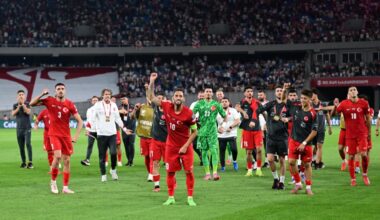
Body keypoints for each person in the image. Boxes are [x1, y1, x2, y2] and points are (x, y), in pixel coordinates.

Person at [147, 72, 198, 206]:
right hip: (171, 146)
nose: (178, 97)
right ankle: (170, 197)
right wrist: (152, 81)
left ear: (184, 99)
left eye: (180, 96)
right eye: (176, 95)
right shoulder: (166, 106)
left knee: (189, 172)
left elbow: (195, 131)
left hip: (185, 147)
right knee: (170, 172)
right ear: (172, 98)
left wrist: (186, 146)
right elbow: (151, 97)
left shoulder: (188, 113)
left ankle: (190, 197)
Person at [30, 83, 83, 194]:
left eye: (62, 89)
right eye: (58, 89)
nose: (60, 90)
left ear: (65, 90)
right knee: (58, 156)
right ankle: (53, 182)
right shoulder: (49, 100)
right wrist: (41, 94)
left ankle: (65, 187)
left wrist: (76, 136)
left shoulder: (70, 104)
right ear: (55, 91)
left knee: (67, 161)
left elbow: (80, 121)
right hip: (54, 134)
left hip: (66, 136)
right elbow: (32, 103)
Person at [89, 89, 131, 182]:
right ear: (102, 96)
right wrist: (89, 129)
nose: (107, 96)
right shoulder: (98, 105)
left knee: (113, 153)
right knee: (102, 156)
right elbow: (92, 118)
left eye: (109, 94)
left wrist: (124, 129)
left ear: (110, 95)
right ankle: (103, 174)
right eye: (105, 94)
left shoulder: (114, 105)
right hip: (101, 134)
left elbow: (117, 119)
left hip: (112, 133)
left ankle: (113, 170)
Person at [284, 88, 317, 195]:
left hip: (306, 143)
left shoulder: (313, 114)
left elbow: (314, 131)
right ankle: (298, 183)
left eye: (305, 98)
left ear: (310, 99)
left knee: (307, 165)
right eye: (301, 98)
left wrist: (304, 143)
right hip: (293, 140)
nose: (302, 100)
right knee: (291, 163)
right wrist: (284, 90)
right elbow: (284, 99)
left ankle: (308, 186)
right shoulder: (296, 107)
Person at [336, 86, 371, 186]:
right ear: (348, 93)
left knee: (364, 155)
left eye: (354, 90)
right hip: (350, 135)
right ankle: (353, 179)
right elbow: (335, 112)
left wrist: (368, 133)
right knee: (351, 156)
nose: (352, 91)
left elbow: (368, 119)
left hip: (362, 133)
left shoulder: (364, 103)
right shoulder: (344, 104)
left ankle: (364, 174)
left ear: (357, 92)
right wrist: (335, 106)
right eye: (350, 90)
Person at [193, 87, 226, 181]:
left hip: (212, 132)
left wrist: (222, 126)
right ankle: (207, 173)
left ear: (212, 94)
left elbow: (224, 116)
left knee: (214, 151)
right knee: (204, 153)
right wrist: (194, 124)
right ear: (204, 93)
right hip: (202, 132)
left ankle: (215, 173)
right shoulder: (199, 104)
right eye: (206, 91)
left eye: (210, 92)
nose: (208, 93)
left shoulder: (216, 104)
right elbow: (191, 114)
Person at [262, 85, 288, 190]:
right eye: (277, 91)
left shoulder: (287, 105)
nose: (279, 92)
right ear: (275, 93)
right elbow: (261, 110)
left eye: (281, 91)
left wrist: (288, 119)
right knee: (270, 159)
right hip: (271, 137)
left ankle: (281, 182)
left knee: (282, 160)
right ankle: (275, 179)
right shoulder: (270, 105)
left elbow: (292, 117)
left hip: (282, 137)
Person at [235, 87, 265, 177]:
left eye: (251, 91)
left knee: (259, 150)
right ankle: (249, 169)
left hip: (257, 130)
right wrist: (243, 112)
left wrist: (266, 123)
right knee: (249, 152)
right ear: (245, 93)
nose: (250, 93)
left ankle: (259, 169)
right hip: (247, 130)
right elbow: (237, 107)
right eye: (248, 91)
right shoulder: (243, 102)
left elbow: (263, 112)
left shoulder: (257, 102)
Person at [132, 94, 154, 181]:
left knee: (152, 156)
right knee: (147, 156)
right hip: (143, 137)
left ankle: (152, 174)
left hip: (153, 137)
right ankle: (149, 172)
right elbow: (132, 117)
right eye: (149, 97)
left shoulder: (156, 109)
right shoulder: (141, 107)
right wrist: (135, 109)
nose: (150, 99)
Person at [149, 91, 168, 192]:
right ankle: (157, 185)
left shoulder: (169, 110)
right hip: (155, 141)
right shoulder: (155, 108)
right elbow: (150, 96)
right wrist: (151, 82)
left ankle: (172, 182)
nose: (160, 100)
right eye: (158, 98)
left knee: (169, 164)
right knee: (155, 163)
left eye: (162, 98)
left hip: (167, 142)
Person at [216, 97, 240, 172]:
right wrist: (218, 129)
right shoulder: (217, 112)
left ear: (229, 103)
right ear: (220, 103)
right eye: (222, 101)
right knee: (222, 150)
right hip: (221, 134)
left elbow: (237, 121)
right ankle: (223, 166)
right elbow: (216, 122)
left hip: (231, 133)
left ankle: (235, 161)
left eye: (226, 101)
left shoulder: (233, 111)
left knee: (234, 149)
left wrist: (231, 126)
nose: (224, 103)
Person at [311, 89, 332, 169]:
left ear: (316, 95)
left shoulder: (322, 104)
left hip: (321, 129)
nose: (310, 97)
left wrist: (330, 127)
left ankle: (317, 163)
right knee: (314, 147)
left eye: (312, 95)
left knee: (319, 146)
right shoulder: (309, 105)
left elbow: (327, 116)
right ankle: (314, 159)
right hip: (311, 130)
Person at [12, 90, 33, 168]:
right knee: (21, 146)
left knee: (28, 144)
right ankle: (23, 162)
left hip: (27, 128)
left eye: (22, 94)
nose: (21, 96)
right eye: (19, 95)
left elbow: (28, 112)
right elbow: (13, 114)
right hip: (19, 129)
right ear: (17, 96)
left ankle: (30, 162)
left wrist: (23, 105)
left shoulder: (28, 104)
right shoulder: (15, 105)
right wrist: (18, 107)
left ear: (25, 96)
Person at [81, 96, 99, 166]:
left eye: (96, 100)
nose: (95, 101)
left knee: (102, 146)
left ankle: (104, 160)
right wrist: (87, 130)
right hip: (91, 131)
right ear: (92, 102)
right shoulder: (89, 110)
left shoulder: (102, 109)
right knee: (90, 145)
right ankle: (87, 160)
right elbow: (88, 121)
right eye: (94, 100)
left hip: (100, 131)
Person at [119, 96, 136, 166]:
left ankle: (131, 160)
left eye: (124, 99)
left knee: (131, 144)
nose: (122, 100)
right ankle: (128, 160)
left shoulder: (132, 106)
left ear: (127, 100)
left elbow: (136, 115)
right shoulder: (119, 107)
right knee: (126, 145)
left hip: (132, 128)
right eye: (121, 99)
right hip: (124, 129)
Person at [190, 90, 204, 165]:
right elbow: (191, 114)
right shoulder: (193, 104)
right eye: (200, 96)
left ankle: (205, 159)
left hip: (205, 126)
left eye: (202, 96)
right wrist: (195, 119)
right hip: (195, 126)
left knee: (205, 144)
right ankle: (201, 156)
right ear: (197, 96)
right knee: (194, 144)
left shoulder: (208, 104)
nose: (201, 97)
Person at [257, 89, 269, 168]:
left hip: (266, 128)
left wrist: (266, 124)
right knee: (258, 146)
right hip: (257, 128)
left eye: (261, 95)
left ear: (265, 95)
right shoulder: (256, 104)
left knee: (266, 145)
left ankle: (267, 161)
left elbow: (269, 116)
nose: (259, 96)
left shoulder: (268, 104)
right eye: (258, 95)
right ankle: (256, 162)